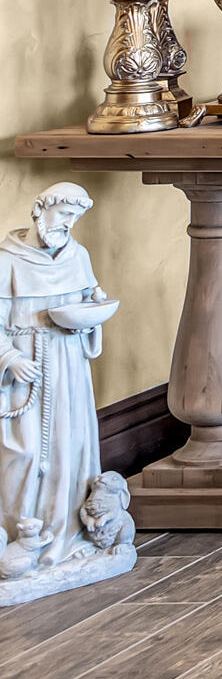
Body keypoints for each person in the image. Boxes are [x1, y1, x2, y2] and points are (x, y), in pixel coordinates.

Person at [1, 184, 119, 579]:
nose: (69, 224)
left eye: (75, 218)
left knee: (73, 446)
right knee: (26, 453)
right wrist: (10, 357)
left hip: (68, 366)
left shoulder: (78, 256)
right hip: (27, 372)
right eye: (64, 214)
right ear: (39, 209)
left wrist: (94, 303)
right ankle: (19, 537)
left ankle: (68, 536)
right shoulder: (8, 262)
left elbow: (87, 303)